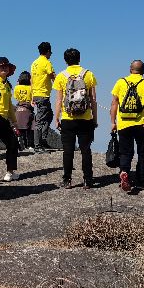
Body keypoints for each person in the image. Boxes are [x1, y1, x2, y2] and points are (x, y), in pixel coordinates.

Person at [110, 60, 144, 193]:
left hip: (124, 124)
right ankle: (141, 179)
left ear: (130, 69)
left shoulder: (120, 82)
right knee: (142, 152)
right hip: (141, 124)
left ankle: (124, 172)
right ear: (143, 71)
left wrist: (113, 122)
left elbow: (114, 103)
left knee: (125, 152)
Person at [52, 48, 98, 189]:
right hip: (86, 118)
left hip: (68, 118)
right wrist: (94, 119)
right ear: (79, 58)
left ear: (65, 60)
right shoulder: (88, 74)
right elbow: (93, 99)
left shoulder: (61, 76)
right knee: (86, 150)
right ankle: (88, 180)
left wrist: (57, 118)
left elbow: (59, 100)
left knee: (68, 151)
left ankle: (67, 180)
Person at [30, 42, 56, 152]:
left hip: (36, 94)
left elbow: (32, 80)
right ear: (48, 51)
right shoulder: (46, 62)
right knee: (40, 120)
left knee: (49, 116)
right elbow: (53, 76)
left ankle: (43, 140)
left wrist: (32, 96)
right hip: (43, 95)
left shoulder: (34, 63)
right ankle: (37, 145)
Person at [13, 71, 35, 153]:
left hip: (19, 109)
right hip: (28, 109)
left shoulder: (16, 88)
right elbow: (33, 98)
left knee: (20, 129)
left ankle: (21, 145)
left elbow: (16, 97)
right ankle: (30, 145)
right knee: (30, 128)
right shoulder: (31, 88)